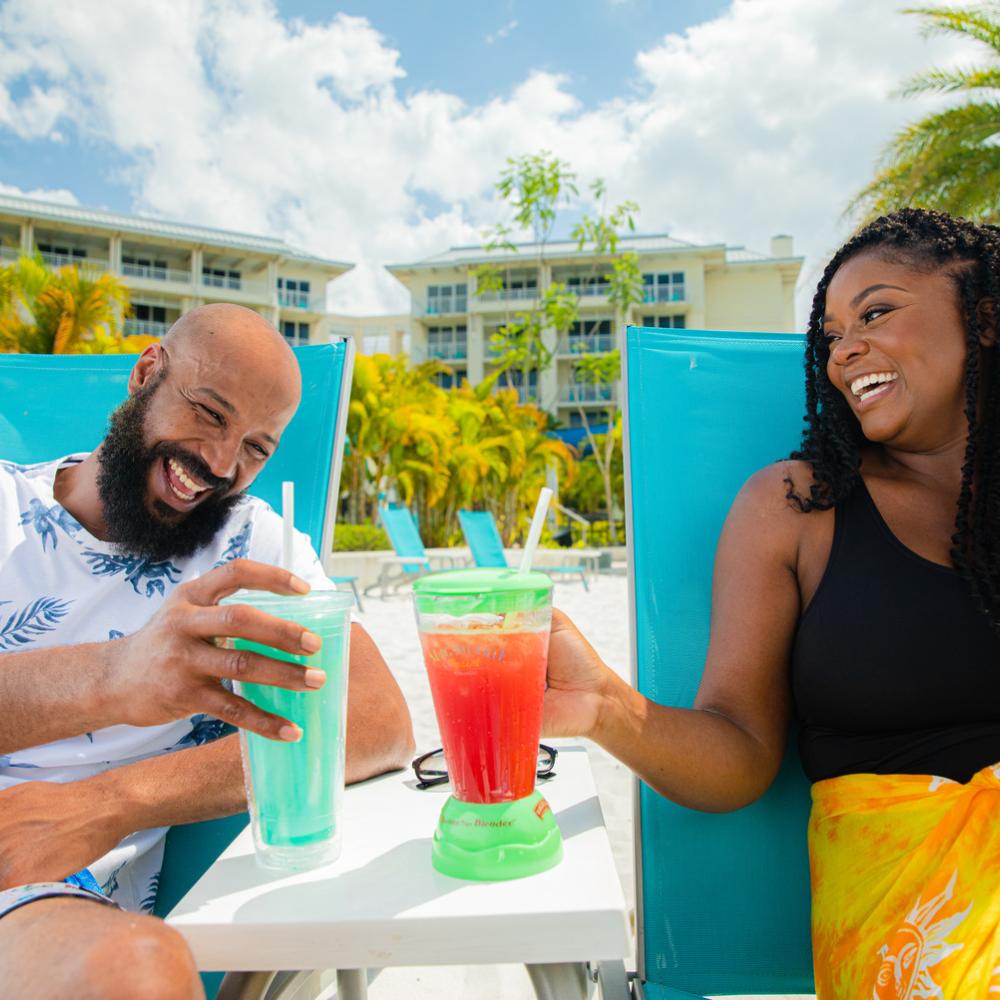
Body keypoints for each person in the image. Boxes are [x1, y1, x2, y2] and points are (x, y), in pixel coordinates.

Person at [545, 209, 1000, 997]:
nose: (843, 350)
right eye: (830, 334)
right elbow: (739, 753)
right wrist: (605, 707)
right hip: (913, 939)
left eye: (877, 312)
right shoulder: (799, 508)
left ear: (985, 318)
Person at [0, 304, 414, 999]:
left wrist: (113, 801)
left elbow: (376, 719)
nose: (219, 464)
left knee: (139, 974)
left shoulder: (253, 550)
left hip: (40, 899)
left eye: (256, 447)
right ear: (145, 375)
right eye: (209, 413)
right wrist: (115, 676)